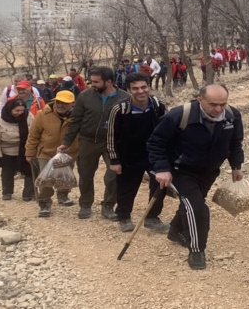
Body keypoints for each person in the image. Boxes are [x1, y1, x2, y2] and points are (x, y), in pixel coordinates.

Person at [147, 84, 244, 270]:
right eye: (213, 104)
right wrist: (162, 168)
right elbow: (155, 142)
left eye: (222, 104)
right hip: (180, 170)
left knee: (192, 202)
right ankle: (197, 249)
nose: (218, 109)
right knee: (197, 208)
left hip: (209, 170)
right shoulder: (179, 115)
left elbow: (235, 142)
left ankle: (175, 230)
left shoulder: (232, 115)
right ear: (200, 100)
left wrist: (236, 165)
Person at [59, 66, 131, 220]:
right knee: (85, 174)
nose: (92, 85)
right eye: (91, 81)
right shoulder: (85, 96)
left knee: (113, 175)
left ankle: (108, 205)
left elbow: (128, 124)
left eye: (96, 82)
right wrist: (67, 142)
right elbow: (75, 121)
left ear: (109, 81)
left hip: (111, 142)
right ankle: (85, 204)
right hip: (87, 141)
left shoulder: (124, 98)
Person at [107, 73, 170, 233]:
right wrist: (114, 160)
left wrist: (169, 156)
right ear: (128, 90)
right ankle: (124, 216)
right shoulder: (120, 109)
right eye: (135, 88)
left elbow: (168, 131)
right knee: (126, 186)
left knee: (159, 186)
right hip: (129, 155)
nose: (140, 91)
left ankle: (152, 217)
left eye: (143, 87)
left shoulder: (158, 105)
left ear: (149, 87)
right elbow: (111, 136)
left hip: (154, 154)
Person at [25, 90, 79, 216]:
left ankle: (63, 196)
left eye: (65, 103)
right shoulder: (42, 114)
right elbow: (33, 135)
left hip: (69, 152)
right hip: (46, 152)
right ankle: (44, 203)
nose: (60, 105)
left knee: (65, 177)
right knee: (46, 180)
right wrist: (30, 153)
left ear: (72, 103)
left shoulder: (78, 116)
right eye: (58, 102)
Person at [0, 98, 35, 201]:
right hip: (7, 151)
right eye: (16, 111)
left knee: (29, 171)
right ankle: (7, 192)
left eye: (22, 110)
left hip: (25, 149)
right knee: (7, 172)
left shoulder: (28, 116)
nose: (20, 113)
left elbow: (35, 131)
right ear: (10, 109)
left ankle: (28, 193)